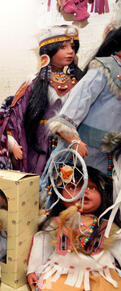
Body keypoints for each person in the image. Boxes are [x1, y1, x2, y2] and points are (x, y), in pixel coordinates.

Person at [0, 25, 82, 174]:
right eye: (63, 47)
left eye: (72, 47)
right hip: (40, 145)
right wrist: (13, 145)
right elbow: (14, 116)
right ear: (48, 52)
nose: (70, 51)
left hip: (73, 142)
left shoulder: (79, 82)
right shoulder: (33, 84)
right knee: (41, 182)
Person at [26, 166, 121, 291]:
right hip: (62, 274)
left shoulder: (107, 226)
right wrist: (33, 270)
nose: (83, 192)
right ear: (59, 194)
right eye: (73, 187)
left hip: (101, 275)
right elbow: (42, 244)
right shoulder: (57, 223)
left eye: (92, 187)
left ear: (102, 194)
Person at [45, 24, 121, 181]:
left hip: (111, 155)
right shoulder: (103, 69)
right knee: (74, 194)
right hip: (82, 153)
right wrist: (74, 140)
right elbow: (71, 111)